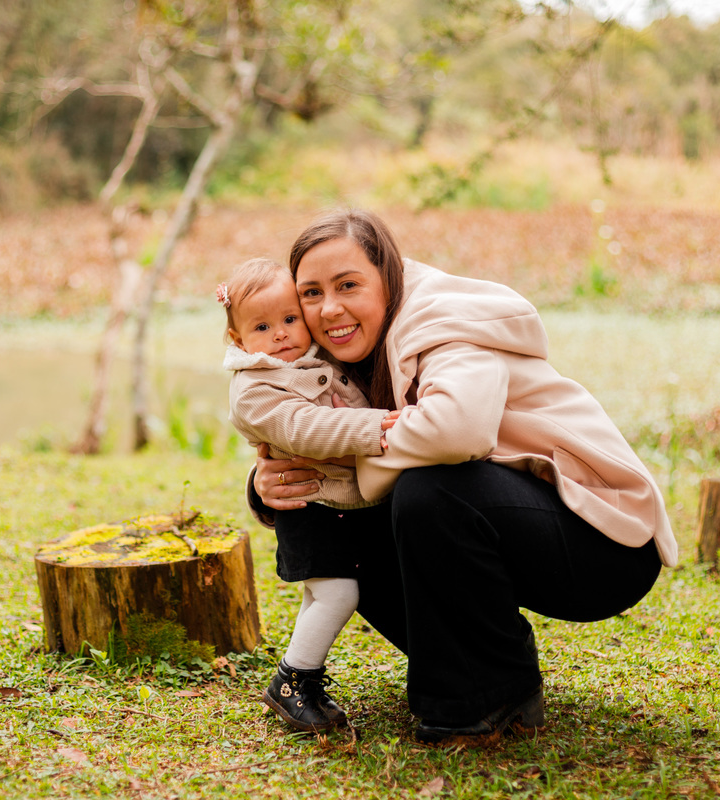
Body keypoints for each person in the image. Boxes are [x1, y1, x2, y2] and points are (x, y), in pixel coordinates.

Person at [248, 209, 679, 747]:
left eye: (348, 285)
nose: (330, 308)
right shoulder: (338, 353)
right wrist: (270, 480)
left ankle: (473, 701)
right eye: (311, 294)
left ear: (389, 277)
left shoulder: (442, 322)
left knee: (430, 491)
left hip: (601, 542)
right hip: (504, 519)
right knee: (327, 501)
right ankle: (497, 674)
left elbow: (459, 432)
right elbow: (312, 428)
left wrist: (346, 452)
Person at [218, 257, 399, 733]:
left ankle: (300, 674)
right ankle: (293, 682)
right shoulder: (253, 390)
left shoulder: (317, 355)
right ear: (239, 341)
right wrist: (378, 427)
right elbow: (304, 428)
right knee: (338, 593)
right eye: (262, 326)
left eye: (290, 319)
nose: (281, 334)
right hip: (311, 508)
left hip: (343, 505)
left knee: (322, 595)